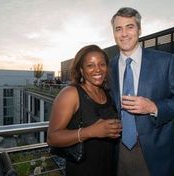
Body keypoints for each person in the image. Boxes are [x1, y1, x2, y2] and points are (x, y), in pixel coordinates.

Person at [108, 7, 174, 176]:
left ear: (139, 30)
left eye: (130, 26)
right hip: (117, 154)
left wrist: (154, 107)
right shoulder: (108, 67)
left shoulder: (165, 61)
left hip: (156, 155)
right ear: (114, 33)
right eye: (119, 28)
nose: (124, 33)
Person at [47, 45, 122, 176]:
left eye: (102, 64)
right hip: (82, 170)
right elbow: (52, 138)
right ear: (81, 70)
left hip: (110, 169)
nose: (98, 70)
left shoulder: (108, 93)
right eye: (90, 65)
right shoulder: (70, 93)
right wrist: (92, 131)